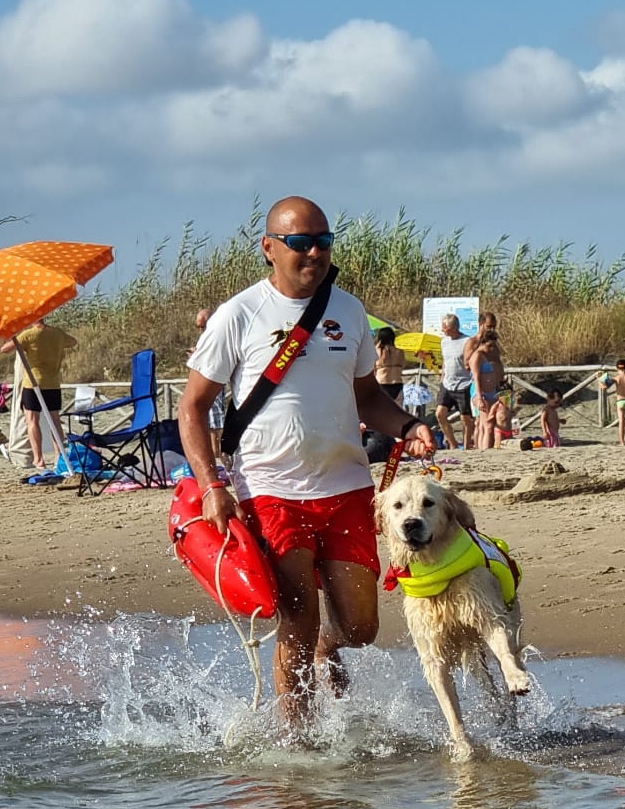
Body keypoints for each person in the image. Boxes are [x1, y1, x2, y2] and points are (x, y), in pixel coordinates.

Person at [178, 195, 437, 732]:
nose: (314, 252)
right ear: (270, 248)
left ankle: (329, 644)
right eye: (300, 242)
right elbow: (192, 407)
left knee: (361, 627)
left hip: (345, 485)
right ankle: (299, 752)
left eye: (323, 241)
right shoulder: (239, 314)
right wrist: (211, 485)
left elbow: (367, 398)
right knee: (296, 617)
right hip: (269, 488)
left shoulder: (348, 310)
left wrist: (408, 427)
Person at [0, 319, 78, 472]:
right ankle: (59, 455)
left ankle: (39, 459)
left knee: (32, 420)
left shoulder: (28, 335)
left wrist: (15, 335)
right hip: (53, 383)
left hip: (33, 383)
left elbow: (5, 349)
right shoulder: (57, 333)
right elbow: (73, 342)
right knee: (55, 420)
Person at [432, 314, 475, 450]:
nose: (443, 329)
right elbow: (445, 360)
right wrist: (442, 375)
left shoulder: (467, 341)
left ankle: (467, 445)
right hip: (447, 383)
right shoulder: (444, 341)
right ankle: (453, 443)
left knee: (465, 419)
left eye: (446, 327)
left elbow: (471, 362)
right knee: (440, 413)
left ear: (454, 327)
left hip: (464, 383)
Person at [189, 308, 228, 458]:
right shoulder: (206, 337)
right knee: (210, 418)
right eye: (198, 327)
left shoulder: (218, 335)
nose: (201, 330)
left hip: (216, 377)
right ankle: (214, 452)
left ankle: (219, 452)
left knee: (217, 418)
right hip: (205, 377)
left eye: (203, 326)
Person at [468, 322, 506, 450]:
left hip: (492, 391)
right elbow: (477, 377)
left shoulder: (490, 355)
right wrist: (479, 397)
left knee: (491, 424)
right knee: (486, 425)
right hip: (481, 392)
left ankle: (487, 448)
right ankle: (484, 450)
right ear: (483, 343)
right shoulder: (477, 356)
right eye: (489, 345)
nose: (491, 348)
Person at [373, 326, 405, 403]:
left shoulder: (377, 352)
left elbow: (372, 369)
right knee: (396, 413)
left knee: (381, 413)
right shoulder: (399, 352)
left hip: (382, 384)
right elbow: (403, 365)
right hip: (397, 384)